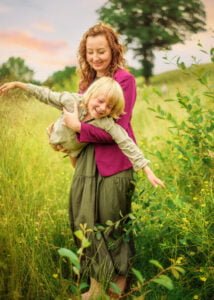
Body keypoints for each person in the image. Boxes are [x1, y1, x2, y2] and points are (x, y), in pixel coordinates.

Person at [61, 23, 164, 299]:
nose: (96, 57)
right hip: (87, 162)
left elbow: (116, 129)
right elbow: (78, 119)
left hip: (115, 165)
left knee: (112, 224)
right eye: (90, 52)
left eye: (101, 51)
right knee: (83, 220)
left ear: (113, 49)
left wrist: (78, 129)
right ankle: (96, 281)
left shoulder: (124, 80)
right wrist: (67, 137)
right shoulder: (85, 83)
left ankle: (118, 281)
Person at [0, 76, 150, 171]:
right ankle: (53, 133)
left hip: (74, 151)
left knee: (79, 174)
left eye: (109, 106)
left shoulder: (105, 123)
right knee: (57, 132)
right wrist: (18, 84)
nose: (103, 108)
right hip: (56, 136)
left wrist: (144, 166)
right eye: (100, 100)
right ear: (91, 94)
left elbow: (125, 141)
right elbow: (45, 95)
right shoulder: (71, 100)